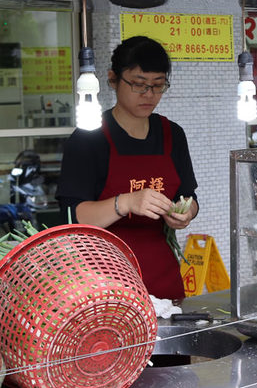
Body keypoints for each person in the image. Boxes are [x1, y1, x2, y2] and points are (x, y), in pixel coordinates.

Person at [57, 36, 198, 300]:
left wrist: (185, 213)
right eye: (139, 84)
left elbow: (189, 196)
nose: (149, 95)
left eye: (158, 86)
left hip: (162, 277)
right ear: (113, 79)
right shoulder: (88, 139)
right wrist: (125, 203)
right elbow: (73, 218)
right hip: (102, 281)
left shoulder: (172, 134)